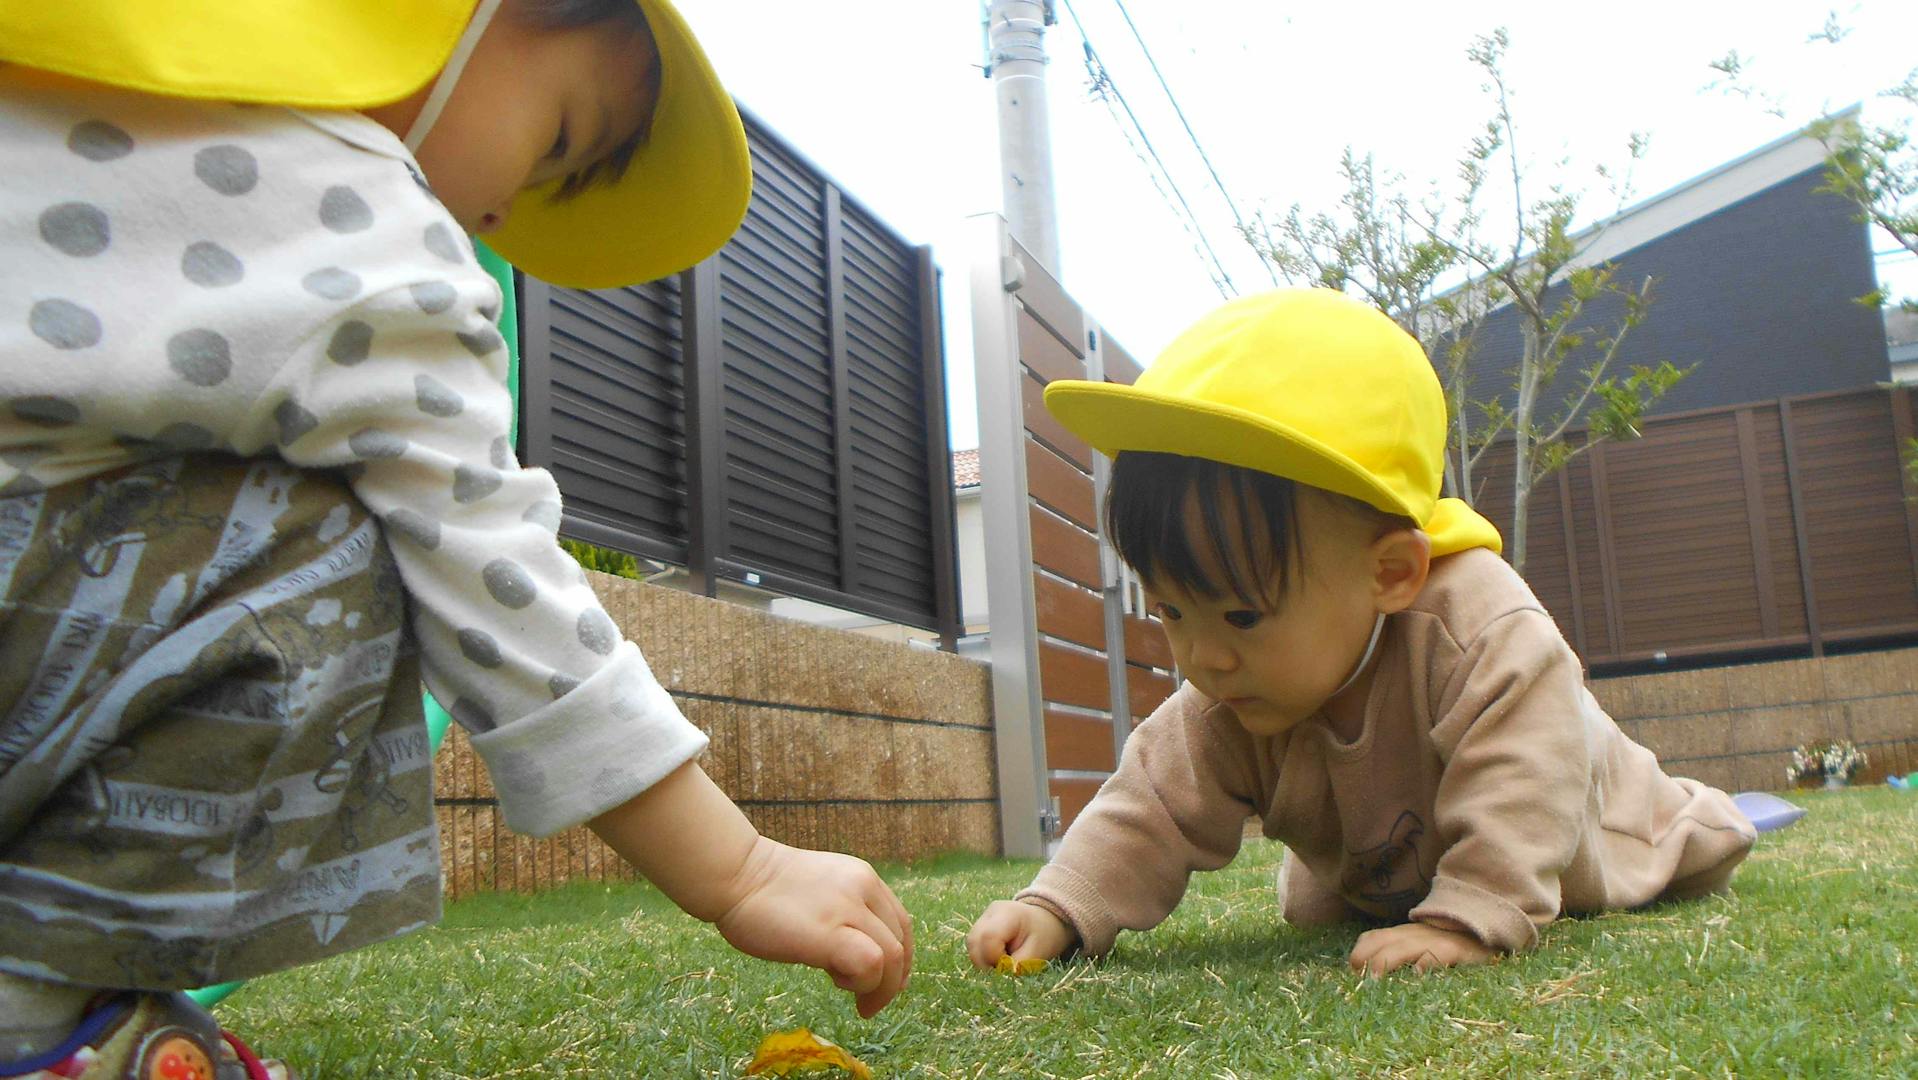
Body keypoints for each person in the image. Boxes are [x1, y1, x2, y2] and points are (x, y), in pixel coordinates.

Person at [0, 1, 911, 1074]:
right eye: (559, 141)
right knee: (340, 541)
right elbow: (484, 556)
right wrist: (743, 869)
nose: (498, 210)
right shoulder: (354, 209)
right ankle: (37, 1011)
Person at [965, 288, 1755, 979]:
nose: (1203, 657)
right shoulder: (1234, 688)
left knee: (1681, 846)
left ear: (1389, 574)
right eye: (1173, 611)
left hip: (1594, 827)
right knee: (1323, 906)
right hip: (1390, 869)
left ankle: (1714, 814)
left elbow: (1530, 772)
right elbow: (1151, 805)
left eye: (1241, 613)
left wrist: (1472, 913)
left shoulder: (1482, 630)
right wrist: (1061, 908)